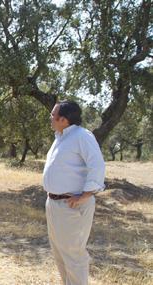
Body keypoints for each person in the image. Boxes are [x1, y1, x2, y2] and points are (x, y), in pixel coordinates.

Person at [43, 100, 105, 285]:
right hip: (54, 204)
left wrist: (86, 194)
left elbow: (97, 165)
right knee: (59, 252)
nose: (50, 118)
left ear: (64, 119)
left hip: (71, 205)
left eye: (53, 115)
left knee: (73, 254)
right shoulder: (60, 138)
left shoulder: (82, 136)